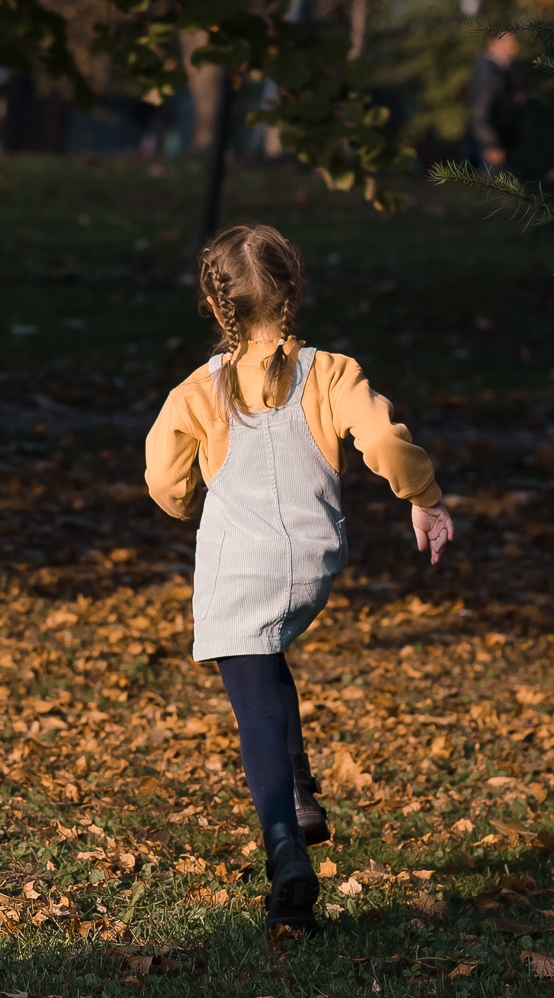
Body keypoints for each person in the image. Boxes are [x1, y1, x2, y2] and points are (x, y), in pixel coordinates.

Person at [144, 224, 454, 934]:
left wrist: (195, 504)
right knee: (268, 646)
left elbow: (164, 478)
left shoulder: (199, 389)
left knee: (251, 689)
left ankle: (285, 850)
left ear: (219, 308)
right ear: (292, 292)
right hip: (310, 560)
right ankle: (302, 788)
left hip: (236, 562)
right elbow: (381, 440)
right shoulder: (334, 372)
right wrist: (424, 497)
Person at [463, 30, 523, 170]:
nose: (514, 45)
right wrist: (491, 144)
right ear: (493, 42)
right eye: (509, 40)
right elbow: (480, 112)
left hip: (503, 143)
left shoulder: (504, 69)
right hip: (493, 147)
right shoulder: (487, 71)